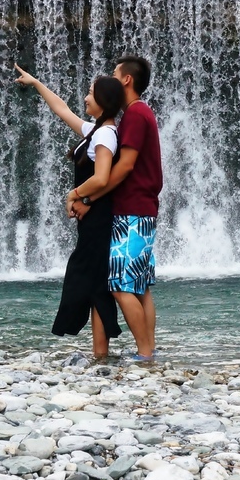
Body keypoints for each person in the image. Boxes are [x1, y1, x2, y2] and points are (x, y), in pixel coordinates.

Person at [14, 63, 126, 358]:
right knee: (94, 282)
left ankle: (102, 351)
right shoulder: (97, 131)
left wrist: (74, 195)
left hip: (100, 218)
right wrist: (37, 83)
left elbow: (102, 178)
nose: (85, 98)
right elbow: (62, 110)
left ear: (103, 101)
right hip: (94, 216)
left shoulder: (105, 135)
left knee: (87, 277)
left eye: (90, 93)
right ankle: (100, 352)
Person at [68, 56, 162, 361]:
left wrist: (85, 198)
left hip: (132, 210)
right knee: (141, 286)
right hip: (143, 210)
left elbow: (123, 168)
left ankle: (146, 355)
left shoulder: (134, 115)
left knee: (121, 286)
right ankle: (149, 350)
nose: (109, 78)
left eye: (113, 74)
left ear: (126, 81)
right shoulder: (140, 112)